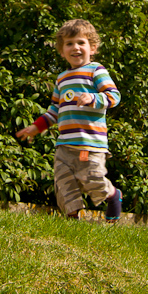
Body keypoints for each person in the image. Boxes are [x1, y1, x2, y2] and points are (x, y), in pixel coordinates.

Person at [16, 19, 123, 222]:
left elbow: (114, 96)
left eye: (81, 43)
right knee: (63, 182)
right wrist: (36, 127)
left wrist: (93, 98)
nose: (76, 47)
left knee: (92, 179)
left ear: (92, 48)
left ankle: (113, 195)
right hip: (65, 145)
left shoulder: (96, 71)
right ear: (61, 51)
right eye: (69, 43)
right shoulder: (62, 78)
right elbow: (55, 109)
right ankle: (72, 219)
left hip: (89, 145)